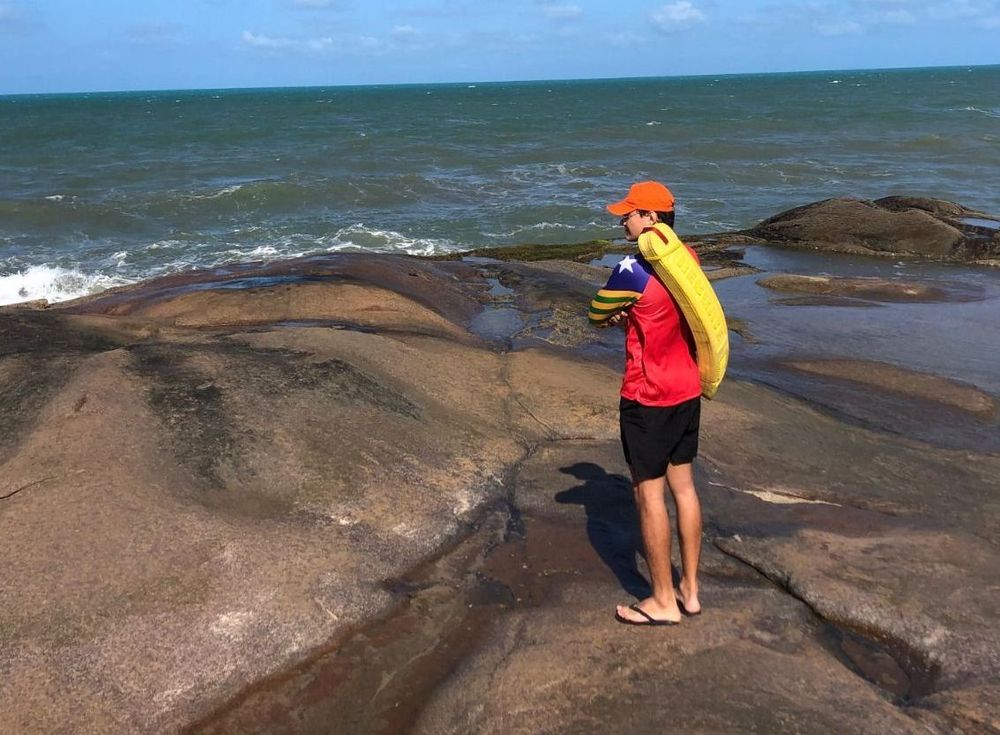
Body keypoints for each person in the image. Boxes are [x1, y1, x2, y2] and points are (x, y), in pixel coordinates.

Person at [588, 180, 704, 626]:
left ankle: (661, 600)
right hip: (687, 389)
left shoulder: (632, 271)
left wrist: (620, 313)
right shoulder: (688, 260)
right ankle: (689, 590)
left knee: (647, 493)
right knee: (685, 488)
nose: (624, 220)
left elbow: (597, 312)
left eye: (631, 214)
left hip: (648, 395)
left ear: (652, 219)